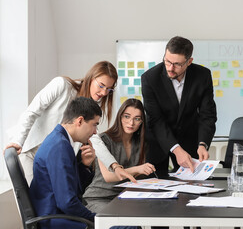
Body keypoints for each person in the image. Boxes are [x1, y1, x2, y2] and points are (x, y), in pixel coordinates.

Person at [4, 61, 135, 184]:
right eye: (101, 85)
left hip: (54, 158)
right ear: (91, 77)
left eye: (109, 89)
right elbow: (32, 112)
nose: (104, 92)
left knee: (48, 203)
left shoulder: (89, 106)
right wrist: (18, 141)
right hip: (30, 150)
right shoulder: (61, 85)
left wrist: (114, 166)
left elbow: (94, 138)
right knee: (32, 204)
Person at [141, 36, 217, 175]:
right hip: (157, 142)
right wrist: (176, 149)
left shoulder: (203, 76)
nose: (170, 68)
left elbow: (207, 114)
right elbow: (155, 120)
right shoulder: (150, 79)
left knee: (190, 189)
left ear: (189, 62)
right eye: (167, 61)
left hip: (189, 140)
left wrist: (202, 144)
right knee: (156, 187)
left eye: (177, 64)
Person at [29, 97, 101, 229]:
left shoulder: (59, 140)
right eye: (94, 124)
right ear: (80, 121)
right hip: (56, 219)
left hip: (58, 215)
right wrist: (95, 219)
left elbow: (71, 188)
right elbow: (67, 202)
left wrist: (84, 166)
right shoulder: (60, 146)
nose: (95, 131)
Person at [84, 98, 155, 213]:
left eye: (137, 119)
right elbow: (109, 177)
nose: (131, 123)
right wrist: (138, 169)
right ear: (120, 117)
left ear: (142, 122)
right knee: (125, 222)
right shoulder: (104, 140)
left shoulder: (142, 144)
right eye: (127, 116)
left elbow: (137, 178)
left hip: (124, 198)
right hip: (98, 198)